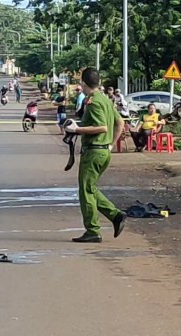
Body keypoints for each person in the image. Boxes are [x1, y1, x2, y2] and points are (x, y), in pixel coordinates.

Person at [64, 67, 127, 243]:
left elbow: (102, 127)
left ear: (83, 83)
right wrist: (111, 144)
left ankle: (93, 230)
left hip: (93, 151)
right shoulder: (105, 100)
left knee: (86, 191)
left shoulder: (93, 102)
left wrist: (77, 130)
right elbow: (120, 122)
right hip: (103, 151)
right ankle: (115, 216)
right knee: (90, 188)